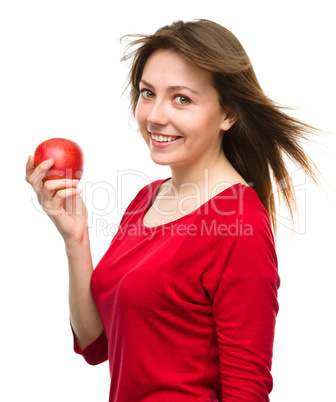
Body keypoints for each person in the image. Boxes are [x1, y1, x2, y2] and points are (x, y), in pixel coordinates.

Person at [26, 19, 320, 401]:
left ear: (228, 114)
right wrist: (76, 238)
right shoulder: (146, 199)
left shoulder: (239, 223)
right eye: (148, 93)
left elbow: (247, 391)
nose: (155, 116)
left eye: (181, 98)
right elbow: (95, 342)